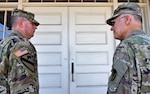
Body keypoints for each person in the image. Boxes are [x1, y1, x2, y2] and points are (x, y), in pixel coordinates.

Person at [106, 2, 150, 94]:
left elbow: (119, 90)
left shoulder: (126, 46)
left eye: (113, 23)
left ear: (127, 19)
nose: (112, 28)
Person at [0, 8, 40, 94]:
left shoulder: (4, 43)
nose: (35, 27)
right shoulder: (22, 45)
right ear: (21, 23)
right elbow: (23, 84)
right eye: (32, 23)